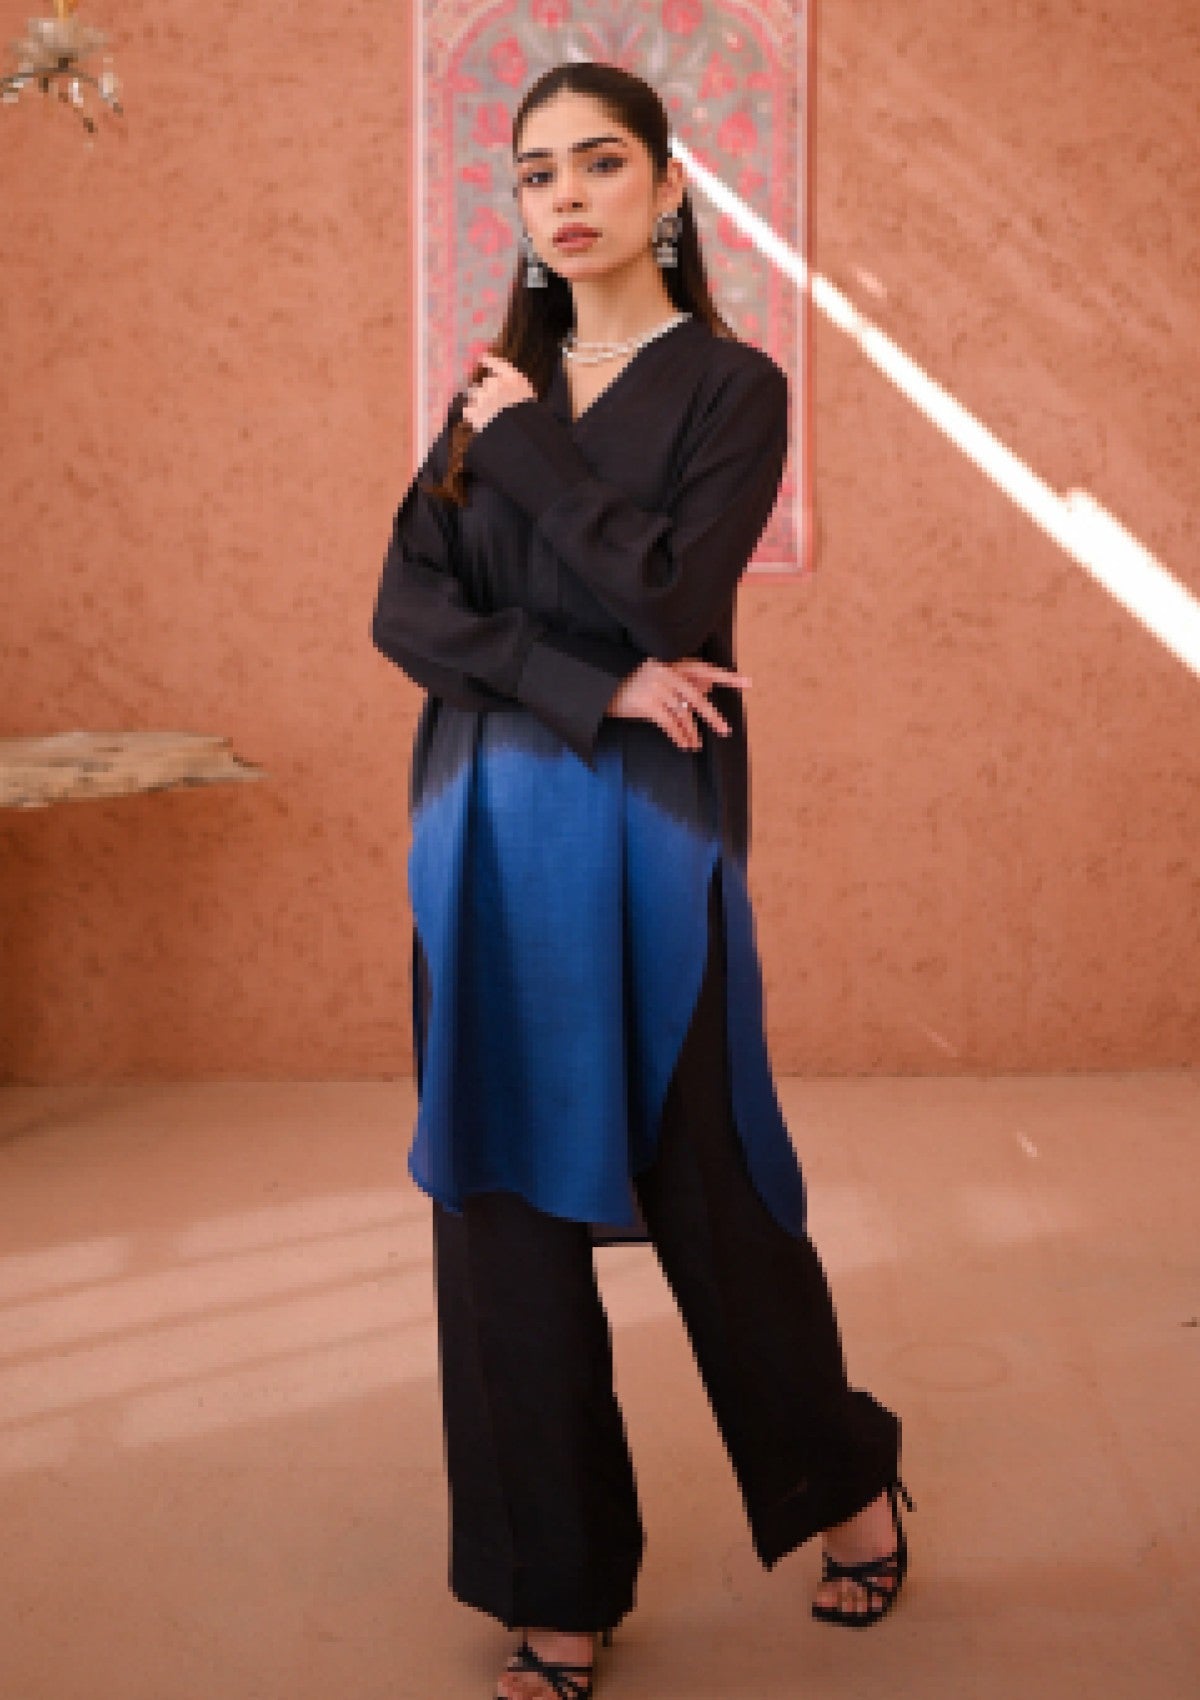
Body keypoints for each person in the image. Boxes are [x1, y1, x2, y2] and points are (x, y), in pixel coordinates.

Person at [370, 60, 914, 1700]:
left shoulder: (730, 389)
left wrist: (534, 453)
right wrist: (588, 683)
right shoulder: (493, 392)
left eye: (599, 163)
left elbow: (671, 592)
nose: (565, 196)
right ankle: (555, 1591)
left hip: (653, 844)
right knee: (502, 1208)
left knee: (710, 1187)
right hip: (481, 838)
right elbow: (407, 611)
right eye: (536, 172)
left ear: (669, 187)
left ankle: (845, 1479)